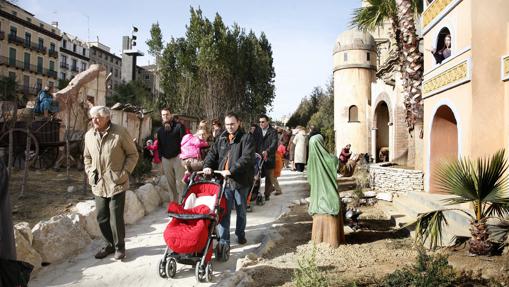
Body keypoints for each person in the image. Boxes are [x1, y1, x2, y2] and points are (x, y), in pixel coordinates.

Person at [83, 106, 139, 260]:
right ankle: (109, 245)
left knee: (115, 217)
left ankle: (119, 247)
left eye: (98, 117)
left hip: (117, 182)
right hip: (98, 183)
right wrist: (89, 172)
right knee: (102, 216)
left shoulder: (120, 132)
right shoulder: (89, 135)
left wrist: (125, 173)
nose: (94, 120)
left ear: (107, 118)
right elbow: (87, 157)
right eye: (93, 117)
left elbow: (133, 154)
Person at [203, 112, 254, 247]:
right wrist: (207, 166)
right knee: (223, 212)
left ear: (239, 123)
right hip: (224, 182)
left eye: (232, 124)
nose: (230, 127)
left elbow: (247, 158)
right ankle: (224, 241)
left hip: (240, 182)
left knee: (241, 211)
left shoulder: (246, 138)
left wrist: (231, 170)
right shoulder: (221, 138)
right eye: (227, 124)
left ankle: (240, 234)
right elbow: (212, 154)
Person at [307, 134, 345, 247]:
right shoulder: (331, 159)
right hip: (330, 199)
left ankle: (318, 243)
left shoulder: (310, 164)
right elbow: (345, 170)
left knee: (318, 238)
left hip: (317, 202)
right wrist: (353, 161)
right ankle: (334, 243)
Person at [157, 108, 186, 203]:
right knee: (170, 184)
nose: (165, 116)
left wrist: (183, 156)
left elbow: (184, 142)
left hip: (178, 157)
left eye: (167, 114)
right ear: (161, 116)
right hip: (166, 159)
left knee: (180, 182)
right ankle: (174, 205)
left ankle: (182, 204)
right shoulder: (160, 130)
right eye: (163, 115)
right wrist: (161, 157)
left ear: (171, 115)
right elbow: (159, 145)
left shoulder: (179, 126)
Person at [258, 115, 280, 200]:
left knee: (269, 178)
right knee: (256, 177)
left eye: (263, 122)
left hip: (269, 157)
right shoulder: (258, 131)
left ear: (267, 122)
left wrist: (267, 151)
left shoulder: (273, 131)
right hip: (259, 157)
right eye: (260, 122)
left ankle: (267, 194)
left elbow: (274, 144)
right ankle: (255, 194)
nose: (261, 123)